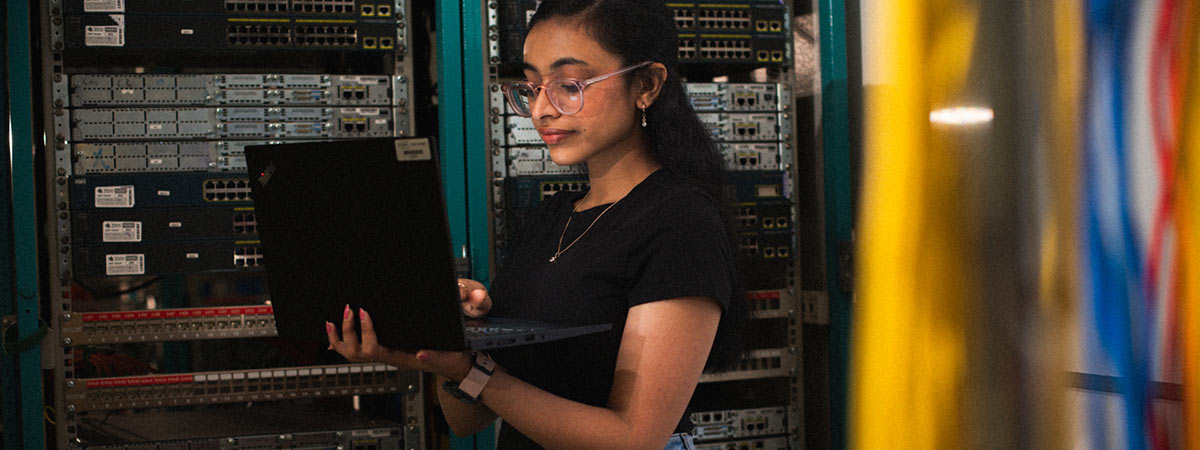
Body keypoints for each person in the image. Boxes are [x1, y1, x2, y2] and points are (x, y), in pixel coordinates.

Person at [326, 1, 745, 448]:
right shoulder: (553, 217)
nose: (542, 108)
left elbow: (632, 438)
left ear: (646, 84)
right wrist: (443, 346)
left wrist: (474, 372)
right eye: (531, 86)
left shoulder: (680, 220)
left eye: (569, 84)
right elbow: (464, 420)